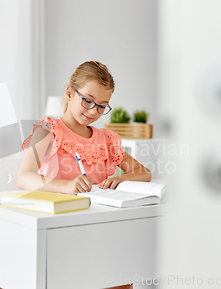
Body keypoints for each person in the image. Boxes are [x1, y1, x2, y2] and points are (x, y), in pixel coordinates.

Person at [18, 61, 151, 196]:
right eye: (87, 101)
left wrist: (121, 179)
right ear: (69, 94)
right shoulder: (47, 130)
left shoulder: (105, 140)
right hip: (57, 212)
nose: (93, 112)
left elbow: (144, 172)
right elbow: (24, 177)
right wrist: (66, 186)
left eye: (102, 106)